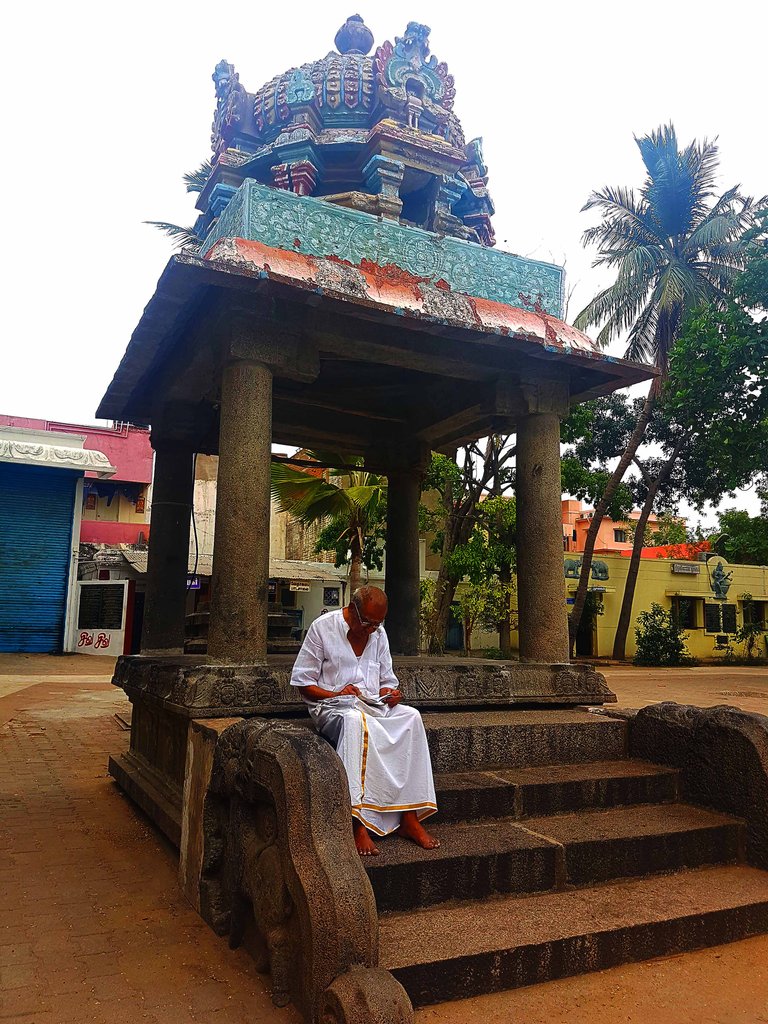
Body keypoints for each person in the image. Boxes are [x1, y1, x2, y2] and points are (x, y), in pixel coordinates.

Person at [290, 585, 439, 856]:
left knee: (411, 717)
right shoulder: (322, 628)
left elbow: (386, 681)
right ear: (352, 609)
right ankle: (356, 822)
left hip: (371, 707)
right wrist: (336, 692)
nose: (372, 629)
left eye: (377, 624)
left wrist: (391, 694)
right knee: (354, 720)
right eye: (368, 623)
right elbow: (303, 683)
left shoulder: (379, 634)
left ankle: (409, 817)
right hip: (332, 708)